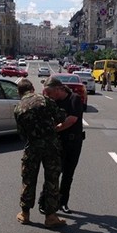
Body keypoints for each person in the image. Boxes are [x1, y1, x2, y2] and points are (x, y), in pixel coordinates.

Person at [14, 79, 66, 228]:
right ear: (32, 88)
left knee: (28, 179)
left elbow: (22, 134)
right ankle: (50, 217)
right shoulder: (43, 100)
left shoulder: (18, 108)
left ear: (19, 92)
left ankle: (25, 214)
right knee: (52, 180)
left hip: (32, 147)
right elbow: (60, 117)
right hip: (51, 146)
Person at [43, 77, 84, 214]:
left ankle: (63, 202)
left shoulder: (74, 99)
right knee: (53, 172)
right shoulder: (53, 101)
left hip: (74, 142)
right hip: (58, 142)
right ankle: (44, 201)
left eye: (49, 93)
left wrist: (53, 130)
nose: (49, 96)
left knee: (68, 174)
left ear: (57, 89)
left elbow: (71, 120)